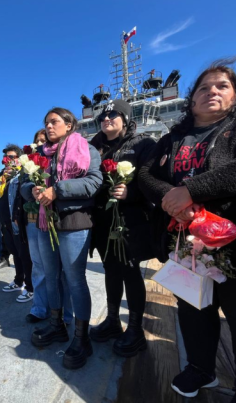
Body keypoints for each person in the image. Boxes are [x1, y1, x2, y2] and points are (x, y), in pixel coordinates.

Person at [138, 57, 236, 402]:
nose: (212, 91)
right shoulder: (172, 138)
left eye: (222, 86)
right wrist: (175, 199)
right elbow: (146, 175)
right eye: (204, 87)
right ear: (191, 100)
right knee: (194, 311)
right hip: (187, 245)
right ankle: (201, 367)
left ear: (235, 95)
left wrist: (192, 190)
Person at [22, 107, 102, 370]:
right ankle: (57, 326)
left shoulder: (86, 149)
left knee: (75, 280)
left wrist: (56, 190)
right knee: (52, 275)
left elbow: (93, 182)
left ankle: (82, 338)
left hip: (74, 222)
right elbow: (23, 184)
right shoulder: (40, 155)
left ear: (69, 125)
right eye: (46, 123)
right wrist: (32, 190)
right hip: (46, 223)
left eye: (54, 122)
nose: (48, 126)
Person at [87, 99, 156, 357]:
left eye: (114, 114)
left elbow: (152, 180)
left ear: (125, 119)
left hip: (129, 220)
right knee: (110, 270)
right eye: (103, 116)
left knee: (129, 270)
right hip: (103, 221)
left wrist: (132, 192)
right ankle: (113, 320)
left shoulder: (143, 144)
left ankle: (136, 329)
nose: (107, 119)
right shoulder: (94, 147)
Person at [0, 144, 34, 303]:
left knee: (25, 255)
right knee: (15, 253)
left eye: (12, 157)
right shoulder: (3, 176)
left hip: (19, 221)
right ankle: (18, 280)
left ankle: (31, 287)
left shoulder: (23, 174)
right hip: (6, 222)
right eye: (6, 157)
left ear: (19, 159)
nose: (8, 160)